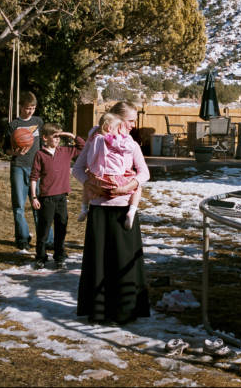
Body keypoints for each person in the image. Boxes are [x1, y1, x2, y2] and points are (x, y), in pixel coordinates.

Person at [73, 100, 151, 325]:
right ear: (115, 119)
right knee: (101, 264)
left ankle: (125, 312)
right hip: (99, 210)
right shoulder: (94, 141)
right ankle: (99, 312)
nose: (133, 125)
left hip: (124, 209)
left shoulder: (132, 145)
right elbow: (77, 169)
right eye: (130, 121)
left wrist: (128, 186)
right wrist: (91, 183)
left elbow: (144, 173)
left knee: (123, 261)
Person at [29, 123, 84, 270]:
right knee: (44, 229)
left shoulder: (65, 151)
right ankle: (40, 257)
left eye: (59, 137)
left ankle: (59, 256)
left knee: (61, 227)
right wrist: (34, 197)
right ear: (45, 138)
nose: (57, 139)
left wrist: (70, 135)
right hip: (46, 198)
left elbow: (83, 147)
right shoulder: (40, 154)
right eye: (54, 136)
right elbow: (34, 177)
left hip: (62, 197)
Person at [78, 113, 142, 230]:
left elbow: (91, 158)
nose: (119, 131)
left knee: (87, 187)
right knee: (137, 187)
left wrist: (93, 171)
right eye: (118, 128)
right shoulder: (114, 140)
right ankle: (132, 210)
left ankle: (83, 209)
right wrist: (125, 137)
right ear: (109, 128)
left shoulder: (94, 138)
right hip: (115, 179)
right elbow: (129, 147)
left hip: (99, 178)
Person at [5, 91, 45, 255]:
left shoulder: (39, 122)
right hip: (19, 167)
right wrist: (15, 153)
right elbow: (6, 150)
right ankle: (22, 240)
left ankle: (46, 239)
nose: (30, 111)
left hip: (36, 168)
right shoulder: (13, 125)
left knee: (40, 204)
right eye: (27, 108)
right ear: (21, 107)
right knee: (19, 206)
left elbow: (43, 145)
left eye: (33, 108)